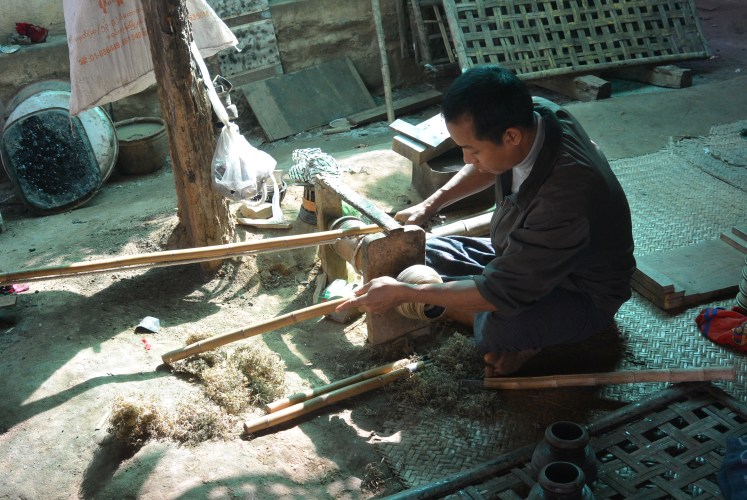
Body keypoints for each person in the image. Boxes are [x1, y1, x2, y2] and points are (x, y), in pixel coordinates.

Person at [336, 65, 635, 376]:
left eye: (472, 150)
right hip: (526, 254)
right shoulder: (535, 115)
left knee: (496, 331)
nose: (466, 159)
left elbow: (499, 290)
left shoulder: (565, 198)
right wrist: (429, 205)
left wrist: (407, 293)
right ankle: (461, 299)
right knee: (422, 251)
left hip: (582, 291)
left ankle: (530, 341)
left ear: (511, 136)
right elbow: (487, 164)